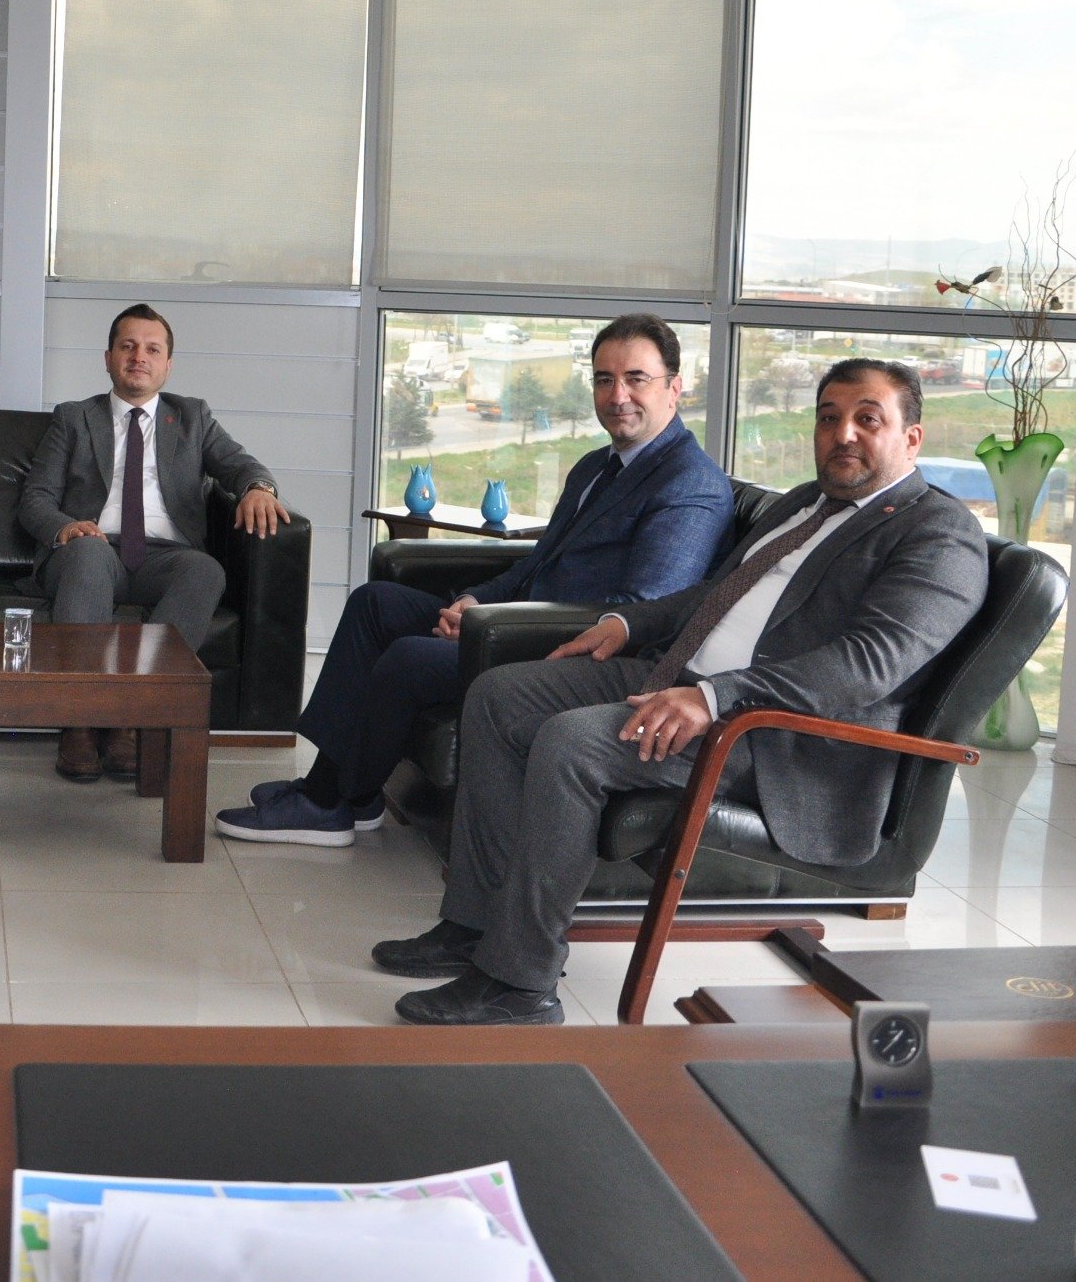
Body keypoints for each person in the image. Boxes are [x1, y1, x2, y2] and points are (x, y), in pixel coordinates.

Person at [377, 359, 988, 1026]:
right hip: (680, 677)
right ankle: (475, 923)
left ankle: (518, 984)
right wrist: (627, 623)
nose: (843, 434)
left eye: (867, 419)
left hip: (777, 735)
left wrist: (715, 699)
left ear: (911, 437)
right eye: (828, 418)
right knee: (499, 696)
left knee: (574, 742)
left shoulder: (939, 534)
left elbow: (866, 664)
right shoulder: (804, 503)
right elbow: (715, 596)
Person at [218, 313, 735, 846]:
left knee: (409, 658)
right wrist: (472, 602)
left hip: (566, 651)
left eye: (636, 378)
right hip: (513, 624)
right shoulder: (595, 466)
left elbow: (640, 612)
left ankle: (328, 804)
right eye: (605, 379)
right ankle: (349, 791)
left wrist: (492, 626)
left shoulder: (689, 485)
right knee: (375, 603)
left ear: (674, 388)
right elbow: (536, 564)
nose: (618, 395)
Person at [16, 304, 288, 782]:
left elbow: (242, 465)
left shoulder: (193, 417)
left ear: (167, 364)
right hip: (91, 551)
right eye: (127, 346)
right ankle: (79, 722)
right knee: (88, 552)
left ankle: (132, 717)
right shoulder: (74, 418)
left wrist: (259, 488)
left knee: (205, 569)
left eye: (152, 349)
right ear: (108, 358)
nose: (138, 356)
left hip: (165, 558)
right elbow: (35, 498)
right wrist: (67, 528)